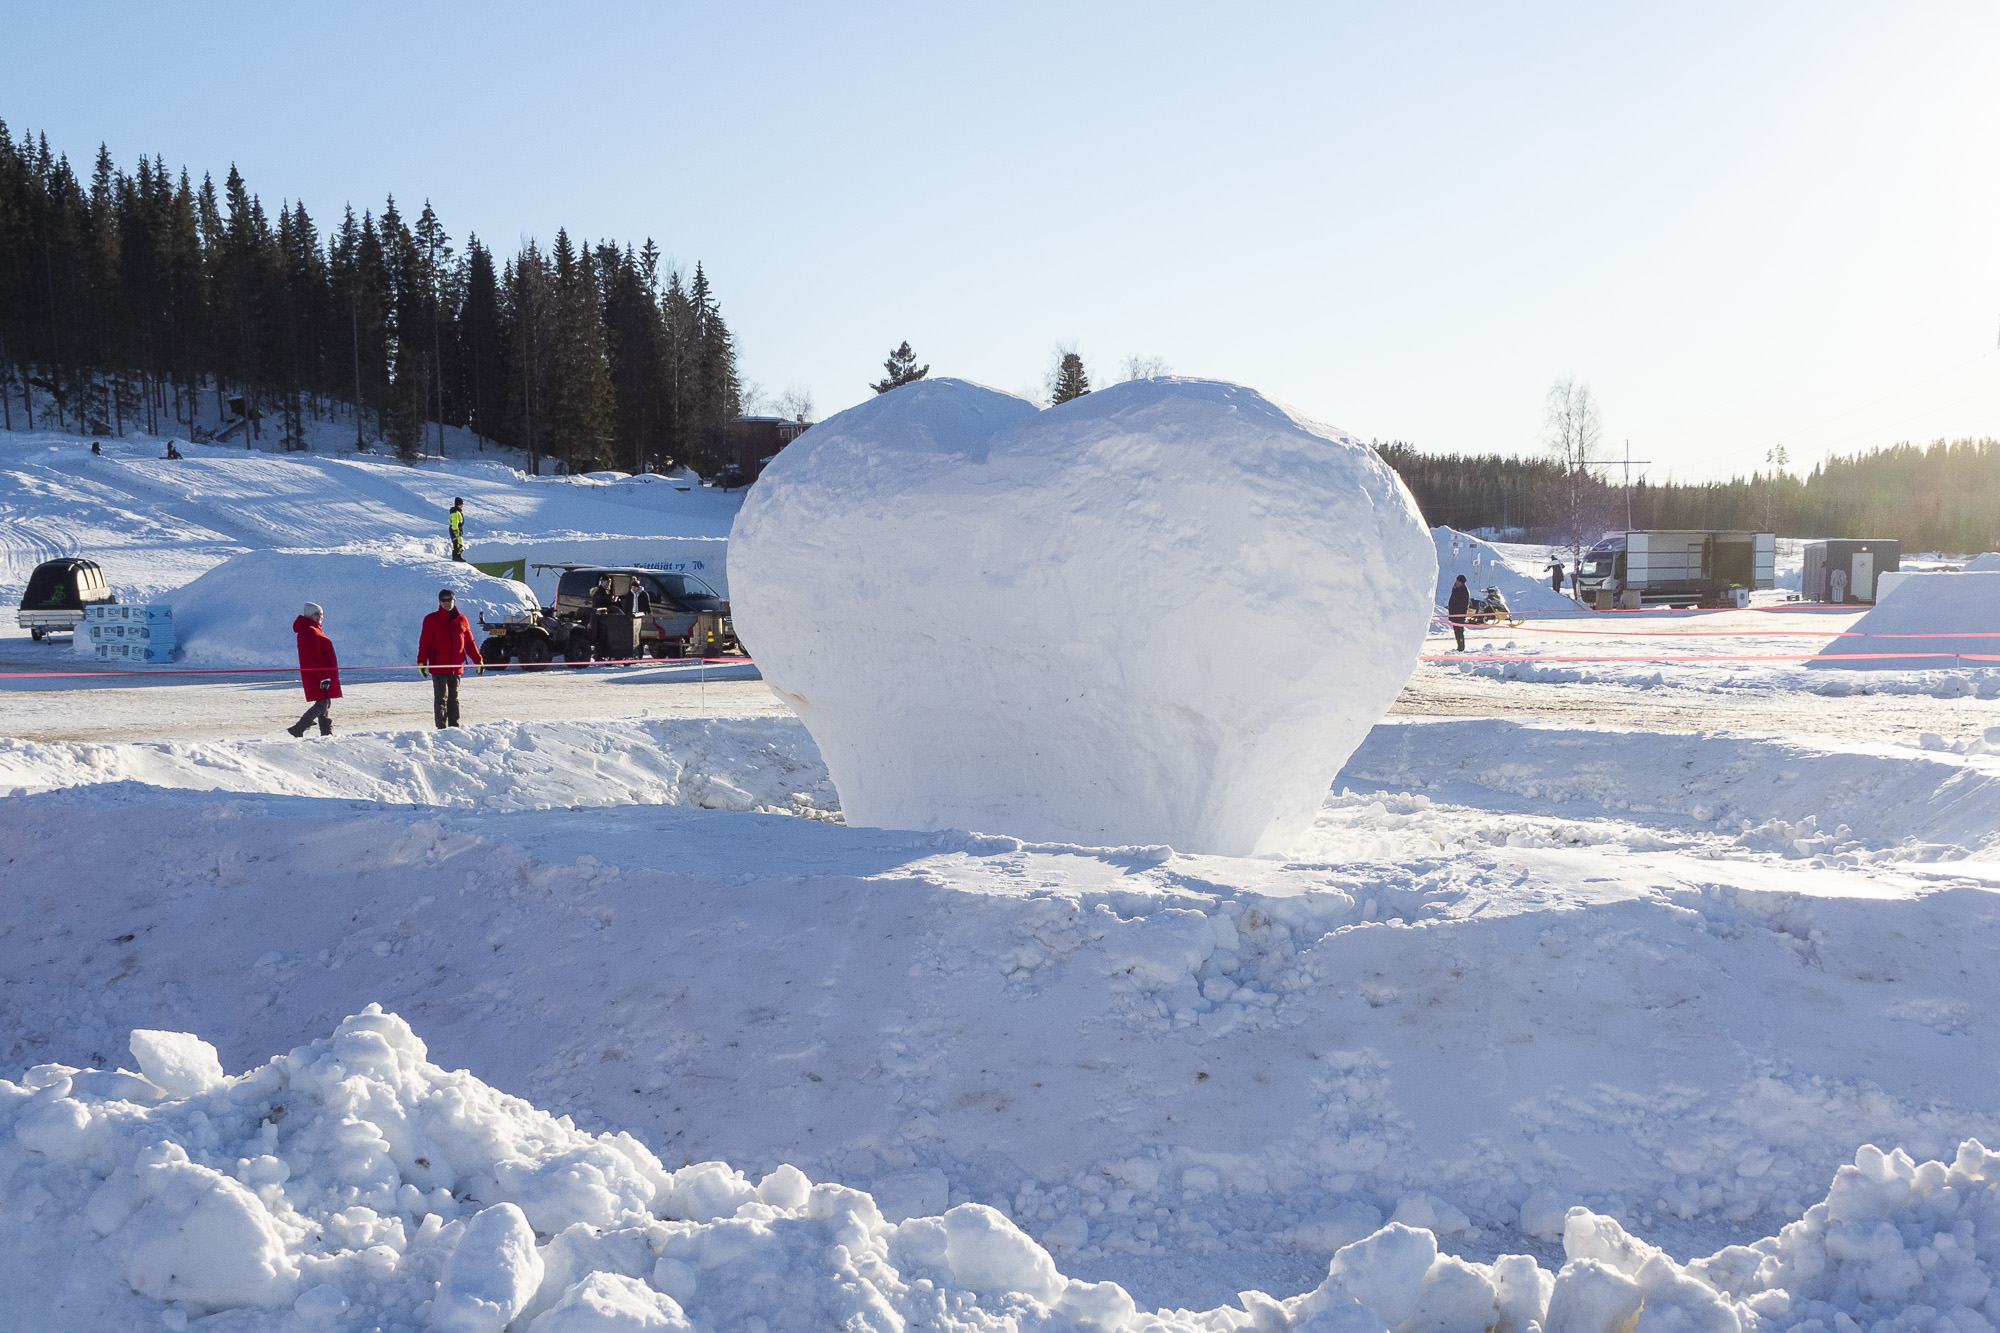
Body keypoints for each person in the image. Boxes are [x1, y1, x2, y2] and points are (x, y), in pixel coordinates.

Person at [416, 588, 483, 728]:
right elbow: (425, 643)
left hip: (456, 667)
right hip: (439, 666)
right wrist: (422, 661)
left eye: (449, 600)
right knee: (441, 699)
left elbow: (470, 643)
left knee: (454, 698)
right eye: (443, 600)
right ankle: (441, 728)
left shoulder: (462, 619)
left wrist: (478, 660)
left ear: (454, 601)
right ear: (439, 602)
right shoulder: (431, 619)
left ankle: (454, 727)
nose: (446, 603)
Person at [288, 602, 340, 737]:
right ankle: (299, 728)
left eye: (321, 614)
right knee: (323, 702)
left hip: (321, 673)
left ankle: (326, 733)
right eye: (316, 614)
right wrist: (323, 676)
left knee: (325, 701)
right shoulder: (309, 631)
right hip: (318, 674)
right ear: (309, 615)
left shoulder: (313, 629)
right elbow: (313, 657)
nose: (320, 617)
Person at [1447, 574, 1470, 652]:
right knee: (1456, 632)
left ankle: (1461, 647)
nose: (1456, 582)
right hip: (1454, 614)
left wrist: (1458, 613)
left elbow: (1462, 604)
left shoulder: (1463, 591)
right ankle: (1459, 646)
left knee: (1459, 631)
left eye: (1458, 581)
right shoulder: (1456, 589)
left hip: (1459, 615)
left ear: (1461, 582)